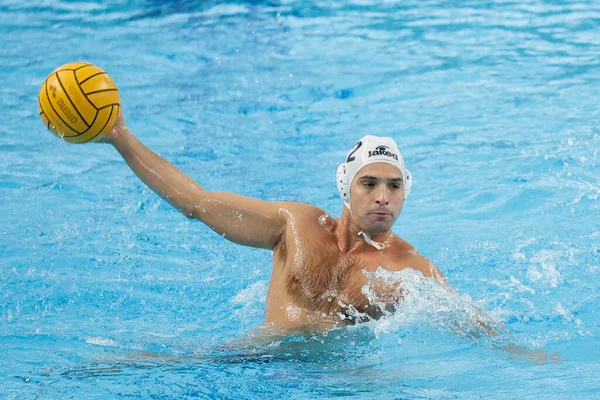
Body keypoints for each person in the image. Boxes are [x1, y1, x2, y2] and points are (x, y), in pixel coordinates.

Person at [101, 113, 447, 332]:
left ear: (405, 191)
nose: (383, 196)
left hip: (341, 384)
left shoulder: (414, 270)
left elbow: (470, 323)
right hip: (258, 364)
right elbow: (195, 203)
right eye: (369, 183)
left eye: (394, 185)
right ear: (346, 186)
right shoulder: (295, 225)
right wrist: (120, 136)